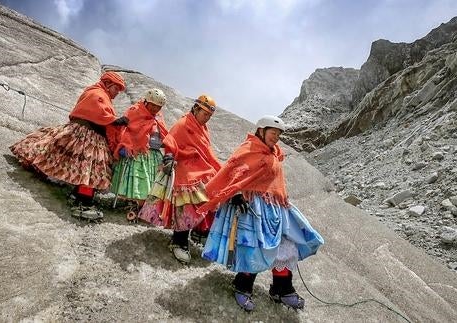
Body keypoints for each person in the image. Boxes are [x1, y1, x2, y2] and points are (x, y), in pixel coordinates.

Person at [197, 115, 324, 311]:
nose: (276, 138)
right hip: (251, 208)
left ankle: (282, 289)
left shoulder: (274, 154)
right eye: (273, 133)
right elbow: (232, 172)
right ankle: (242, 286)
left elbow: (276, 183)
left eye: (279, 135)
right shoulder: (248, 150)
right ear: (261, 131)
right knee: (254, 249)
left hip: (275, 208)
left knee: (286, 245)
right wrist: (236, 194)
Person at [10, 71, 128, 213]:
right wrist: (115, 120)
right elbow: (98, 112)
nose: (116, 93)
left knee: (90, 168)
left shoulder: (103, 95)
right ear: (108, 84)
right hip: (85, 133)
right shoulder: (97, 93)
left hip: (93, 135)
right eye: (116, 89)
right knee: (89, 168)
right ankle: (82, 201)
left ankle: (80, 195)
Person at [137, 94, 222, 264]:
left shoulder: (203, 128)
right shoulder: (183, 124)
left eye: (209, 116)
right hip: (184, 169)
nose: (207, 118)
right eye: (205, 114)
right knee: (187, 206)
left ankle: (198, 232)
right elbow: (171, 141)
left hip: (201, 168)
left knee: (210, 200)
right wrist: (169, 156)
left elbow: (207, 151)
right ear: (196, 109)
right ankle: (179, 241)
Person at [109, 88, 169, 214]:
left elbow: (163, 133)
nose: (155, 109)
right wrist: (127, 144)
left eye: (158, 107)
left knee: (151, 181)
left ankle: (145, 207)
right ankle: (133, 203)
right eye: (153, 105)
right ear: (146, 102)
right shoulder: (135, 111)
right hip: (137, 151)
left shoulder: (159, 116)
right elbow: (126, 131)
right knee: (139, 179)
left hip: (154, 153)